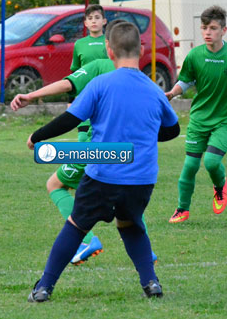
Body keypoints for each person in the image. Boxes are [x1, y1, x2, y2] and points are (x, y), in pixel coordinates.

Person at [26, 22, 180, 302]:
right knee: (130, 224)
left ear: (109, 50)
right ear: (141, 50)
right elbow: (172, 130)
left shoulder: (100, 84)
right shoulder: (154, 90)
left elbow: (70, 119)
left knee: (76, 225)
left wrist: (38, 136)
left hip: (103, 174)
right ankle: (151, 283)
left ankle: (44, 287)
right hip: (142, 178)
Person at [11, 20, 158, 265]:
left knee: (55, 185)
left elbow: (68, 83)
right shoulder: (139, 77)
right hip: (126, 151)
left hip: (94, 146)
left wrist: (31, 95)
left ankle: (87, 240)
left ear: (109, 46)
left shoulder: (99, 66)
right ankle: (146, 253)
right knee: (125, 196)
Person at [165, 5, 227, 224]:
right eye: (204, 28)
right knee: (190, 166)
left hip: (226, 119)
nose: (207, 32)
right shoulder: (195, 55)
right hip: (199, 118)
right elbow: (186, 81)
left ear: (223, 30)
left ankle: (219, 186)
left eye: (213, 28)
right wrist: (172, 93)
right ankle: (182, 209)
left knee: (211, 162)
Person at [70, 4, 107, 72]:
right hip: (87, 79)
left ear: (104, 21)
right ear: (86, 23)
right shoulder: (79, 44)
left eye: (97, 17)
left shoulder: (111, 41)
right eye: (90, 18)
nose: (93, 21)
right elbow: (75, 70)